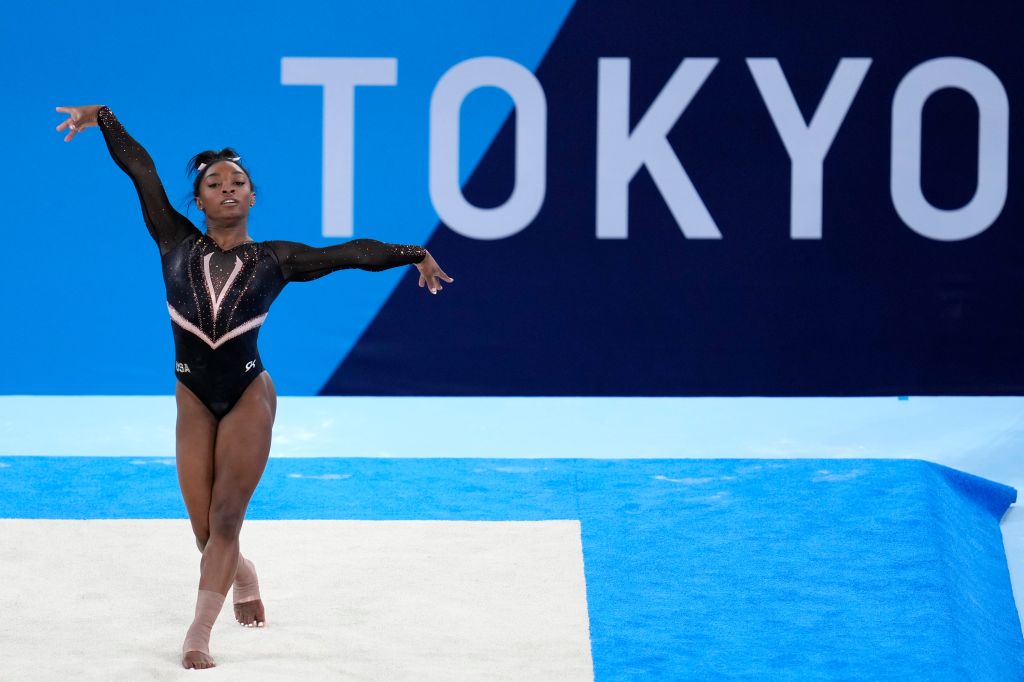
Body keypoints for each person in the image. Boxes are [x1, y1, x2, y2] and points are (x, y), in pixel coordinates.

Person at [55, 104, 453, 670]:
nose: (226, 189)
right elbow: (141, 171)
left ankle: (198, 633)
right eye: (213, 184)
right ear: (197, 201)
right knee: (202, 532)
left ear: (252, 197)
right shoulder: (172, 240)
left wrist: (414, 254)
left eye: (237, 182)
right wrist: (106, 119)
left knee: (225, 520)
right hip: (192, 396)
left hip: (247, 394)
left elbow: (350, 254)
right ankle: (243, 574)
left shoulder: (277, 259)